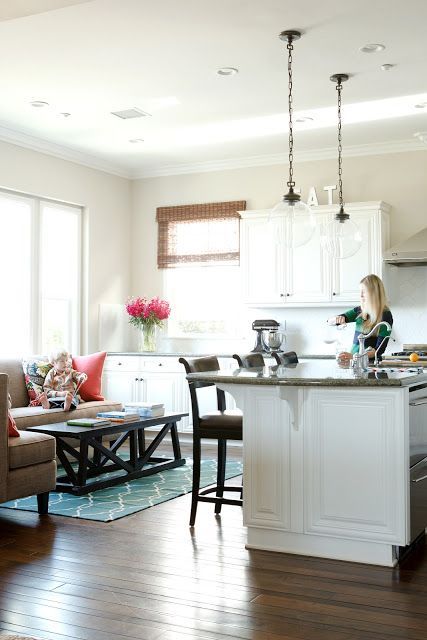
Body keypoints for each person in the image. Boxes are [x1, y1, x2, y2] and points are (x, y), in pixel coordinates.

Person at [328, 274, 393, 367]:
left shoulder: (385, 315)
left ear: (374, 293)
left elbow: (379, 350)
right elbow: (329, 321)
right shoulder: (360, 311)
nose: (361, 295)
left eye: (364, 291)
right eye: (360, 291)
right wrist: (336, 319)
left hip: (370, 365)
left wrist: (355, 356)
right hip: (354, 362)